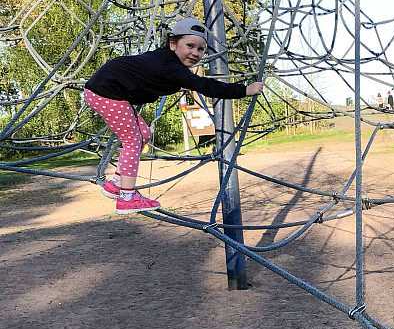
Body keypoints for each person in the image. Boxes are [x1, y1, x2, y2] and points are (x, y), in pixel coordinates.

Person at [84, 17, 264, 214]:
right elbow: (207, 86)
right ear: (172, 43)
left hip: (108, 89)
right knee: (133, 140)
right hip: (106, 91)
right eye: (190, 46)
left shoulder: (166, 60)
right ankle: (127, 197)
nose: (195, 53)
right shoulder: (172, 67)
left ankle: (116, 184)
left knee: (143, 134)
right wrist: (245, 90)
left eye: (201, 49)